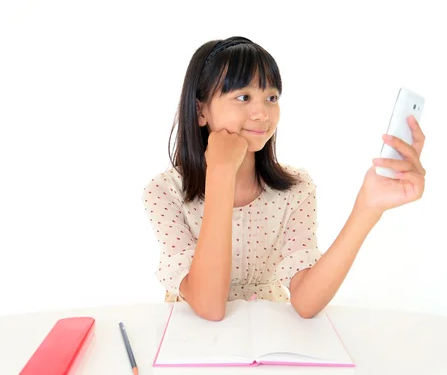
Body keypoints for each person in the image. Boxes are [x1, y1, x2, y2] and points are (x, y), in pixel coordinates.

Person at [141, 36, 426, 321]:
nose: (262, 113)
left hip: (268, 339)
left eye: (271, 98)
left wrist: (368, 207)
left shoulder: (296, 189)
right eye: (243, 97)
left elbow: (306, 302)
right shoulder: (164, 193)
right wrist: (220, 173)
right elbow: (209, 306)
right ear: (201, 110)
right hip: (190, 342)